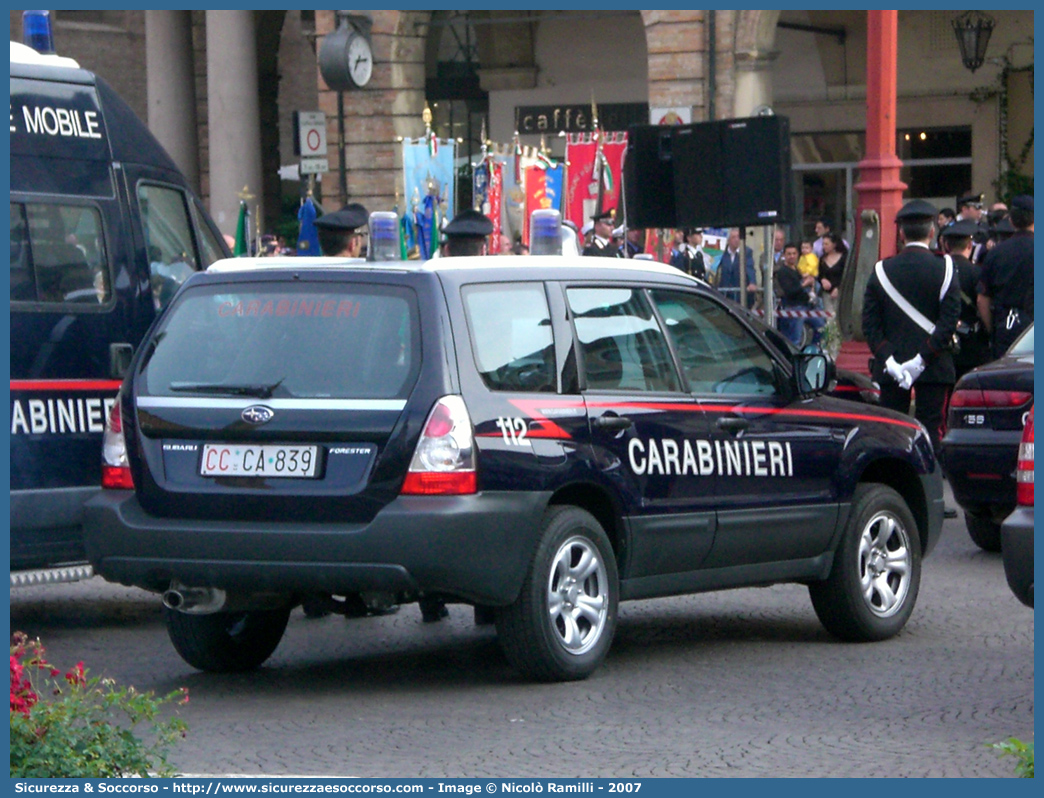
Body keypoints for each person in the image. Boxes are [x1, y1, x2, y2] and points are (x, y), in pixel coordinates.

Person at [862, 199, 961, 453]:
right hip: (935, 365)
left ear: (902, 233)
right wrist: (922, 359)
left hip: (891, 366)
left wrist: (890, 360)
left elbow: (870, 325)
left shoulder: (881, 270)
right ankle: (932, 488)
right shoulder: (946, 268)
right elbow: (948, 322)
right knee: (932, 432)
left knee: (891, 433)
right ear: (932, 232)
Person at [977, 194, 1033, 359]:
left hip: (1006, 328)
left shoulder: (995, 253)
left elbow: (982, 299)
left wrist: (992, 329)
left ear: (1011, 221)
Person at [939, 219, 990, 379]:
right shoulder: (977, 272)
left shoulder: (938, 271)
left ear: (947, 245)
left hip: (941, 340)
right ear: (969, 246)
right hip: (972, 343)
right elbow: (983, 302)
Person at [776, 242, 817, 346]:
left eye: (794, 253)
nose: (792, 256)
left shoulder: (798, 269)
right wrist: (804, 284)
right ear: (784, 255)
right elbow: (790, 291)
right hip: (793, 307)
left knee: (821, 327)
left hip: (806, 305)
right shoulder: (782, 272)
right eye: (789, 254)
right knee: (795, 339)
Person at [716, 228, 757, 308]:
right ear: (728, 240)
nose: (736, 240)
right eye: (733, 237)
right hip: (725, 293)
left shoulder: (746, 251)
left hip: (741, 294)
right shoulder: (722, 253)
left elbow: (750, 268)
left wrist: (752, 282)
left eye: (738, 237)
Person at [817, 232, 847, 316]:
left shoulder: (844, 258)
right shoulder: (822, 259)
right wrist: (822, 280)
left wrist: (838, 288)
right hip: (826, 294)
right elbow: (820, 275)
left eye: (826, 244)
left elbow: (847, 275)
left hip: (841, 293)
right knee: (829, 318)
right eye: (823, 244)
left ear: (834, 244)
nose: (824, 246)